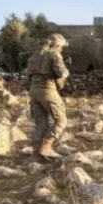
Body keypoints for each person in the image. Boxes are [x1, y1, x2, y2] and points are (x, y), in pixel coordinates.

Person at [26, 33, 70, 162]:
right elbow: (60, 72)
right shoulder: (54, 54)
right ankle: (46, 146)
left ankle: (35, 153)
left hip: (34, 91)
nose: (61, 50)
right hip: (48, 89)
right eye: (61, 47)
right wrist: (67, 71)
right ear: (56, 45)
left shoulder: (34, 55)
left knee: (41, 123)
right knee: (61, 120)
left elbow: (27, 77)